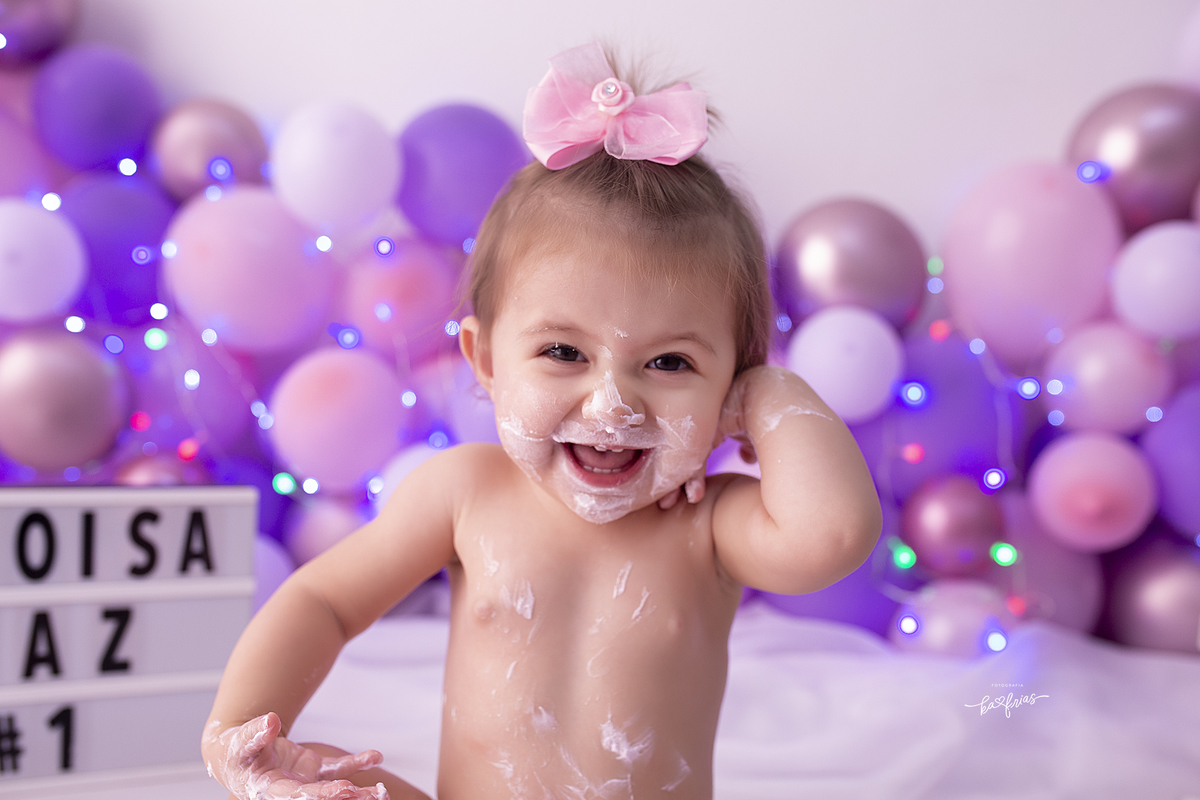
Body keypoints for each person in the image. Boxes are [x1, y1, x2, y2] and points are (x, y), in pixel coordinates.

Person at [202, 41, 882, 800]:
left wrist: (769, 393)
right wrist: (240, 730)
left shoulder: (710, 528)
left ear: (730, 387)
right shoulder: (466, 493)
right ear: (486, 361)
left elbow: (833, 536)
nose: (612, 405)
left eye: (671, 364)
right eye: (563, 351)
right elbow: (321, 601)